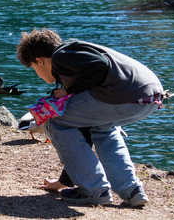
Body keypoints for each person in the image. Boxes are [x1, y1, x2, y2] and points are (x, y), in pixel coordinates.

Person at [16, 28, 164, 207]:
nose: (38, 74)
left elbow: (99, 65)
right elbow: (83, 133)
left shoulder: (60, 57)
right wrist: (63, 182)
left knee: (54, 120)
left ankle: (95, 190)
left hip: (123, 94)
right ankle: (132, 190)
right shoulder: (73, 54)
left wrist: (68, 90)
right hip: (150, 95)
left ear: (39, 61)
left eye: (34, 68)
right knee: (101, 128)